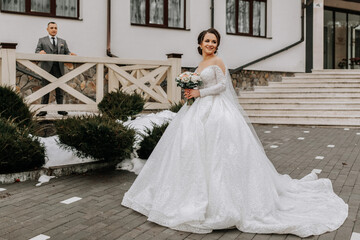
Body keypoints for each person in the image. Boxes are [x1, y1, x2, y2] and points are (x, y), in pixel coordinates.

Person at [121, 28, 348, 237]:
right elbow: (201, 86)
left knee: (220, 156)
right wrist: (191, 92)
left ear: (216, 45)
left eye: (214, 41)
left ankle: (225, 203)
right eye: (207, 40)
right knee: (191, 152)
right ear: (199, 43)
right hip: (197, 112)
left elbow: (221, 87)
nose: (210, 44)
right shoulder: (199, 65)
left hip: (218, 113)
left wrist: (200, 93)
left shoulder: (218, 61)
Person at [35, 22, 76, 117]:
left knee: (59, 90)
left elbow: (67, 52)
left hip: (59, 68)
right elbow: (37, 51)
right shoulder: (42, 40)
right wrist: (40, 52)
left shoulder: (63, 41)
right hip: (47, 69)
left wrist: (70, 54)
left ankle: (60, 110)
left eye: (55, 28)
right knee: (45, 90)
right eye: (52, 28)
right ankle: (43, 110)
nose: (54, 29)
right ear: (47, 29)